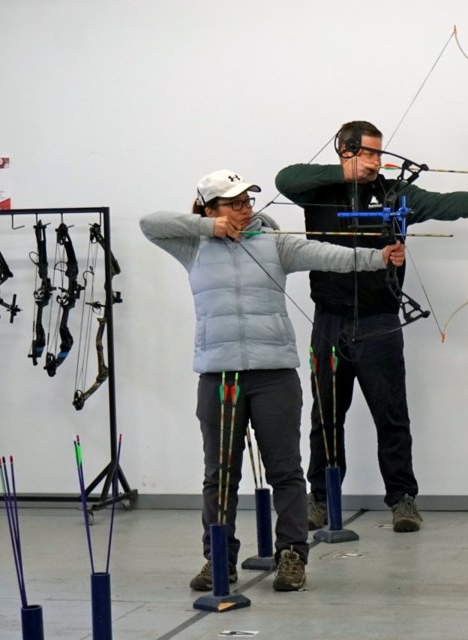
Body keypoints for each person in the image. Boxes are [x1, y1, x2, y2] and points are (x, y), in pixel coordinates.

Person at [139, 168, 405, 592]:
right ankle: (218, 560)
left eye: (247, 201)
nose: (246, 209)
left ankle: (292, 557)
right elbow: (149, 223)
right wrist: (211, 227)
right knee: (219, 474)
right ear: (211, 209)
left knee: (285, 471)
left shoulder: (274, 243)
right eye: (234, 203)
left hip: (274, 374)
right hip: (218, 374)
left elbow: (328, 255)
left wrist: (377, 257)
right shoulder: (193, 245)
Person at [275, 120, 468, 533]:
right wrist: (344, 174)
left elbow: (445, 203)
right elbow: (283, 178)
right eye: (368, 153)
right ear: (344, 149)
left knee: (391, 414)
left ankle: (402, 499)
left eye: (380, 154)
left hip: (379, 320)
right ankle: (321, 499)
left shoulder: (395, 193)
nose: (376, 162)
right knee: (326, 415)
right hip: (328, 318)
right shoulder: (317, 189)